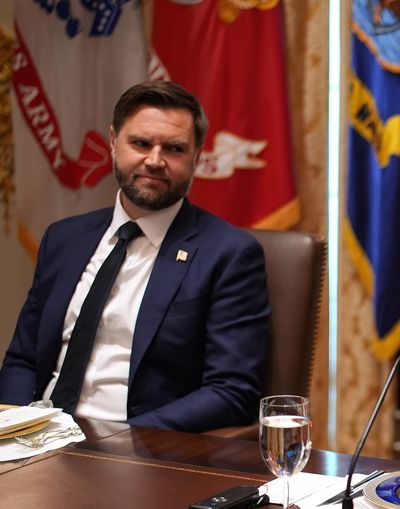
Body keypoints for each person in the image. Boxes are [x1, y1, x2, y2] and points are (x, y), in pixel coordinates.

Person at [0, 81, 269, 432]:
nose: (155, 161)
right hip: (37, 439)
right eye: (140, 143)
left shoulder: (229, 255)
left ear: (196, 157)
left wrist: (125, 441)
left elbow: (233, 392)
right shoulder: (64, 239)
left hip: (135, 449)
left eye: (173, 148)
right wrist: (15, 429)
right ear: (113, 142)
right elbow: (22, 359)